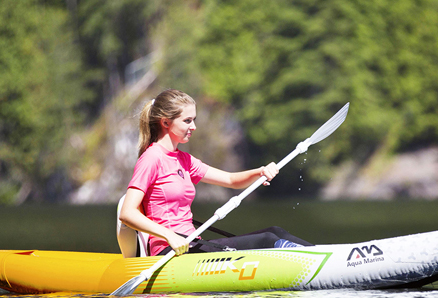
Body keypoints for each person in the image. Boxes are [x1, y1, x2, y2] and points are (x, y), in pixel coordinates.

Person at [118, 89, 311, 257]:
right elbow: (127, 213)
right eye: (187, 121)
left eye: (194, 120)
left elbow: (230, 179)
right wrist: (169, 235)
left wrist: (260, 172)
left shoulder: (184, 160)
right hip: (169, 252)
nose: (193, 127)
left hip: (193, 245)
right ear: (166, 123)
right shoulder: (152, 158)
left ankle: (327, 257)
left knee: (275, 231)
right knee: (267, 240)